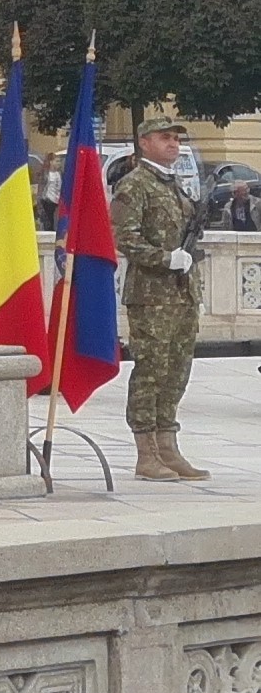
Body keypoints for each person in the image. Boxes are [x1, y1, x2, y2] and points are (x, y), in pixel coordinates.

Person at [111, 113, 207, 482]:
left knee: (177, 370)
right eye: (164, 137)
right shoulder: (134, 185)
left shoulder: (174, 185)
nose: (173, 144)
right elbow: (125, 238)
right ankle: (146, 453)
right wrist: (166, 258)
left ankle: (168, 445)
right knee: (150, 371)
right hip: (151, 294)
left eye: (176, 139)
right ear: (144, 142)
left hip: (182, 293)